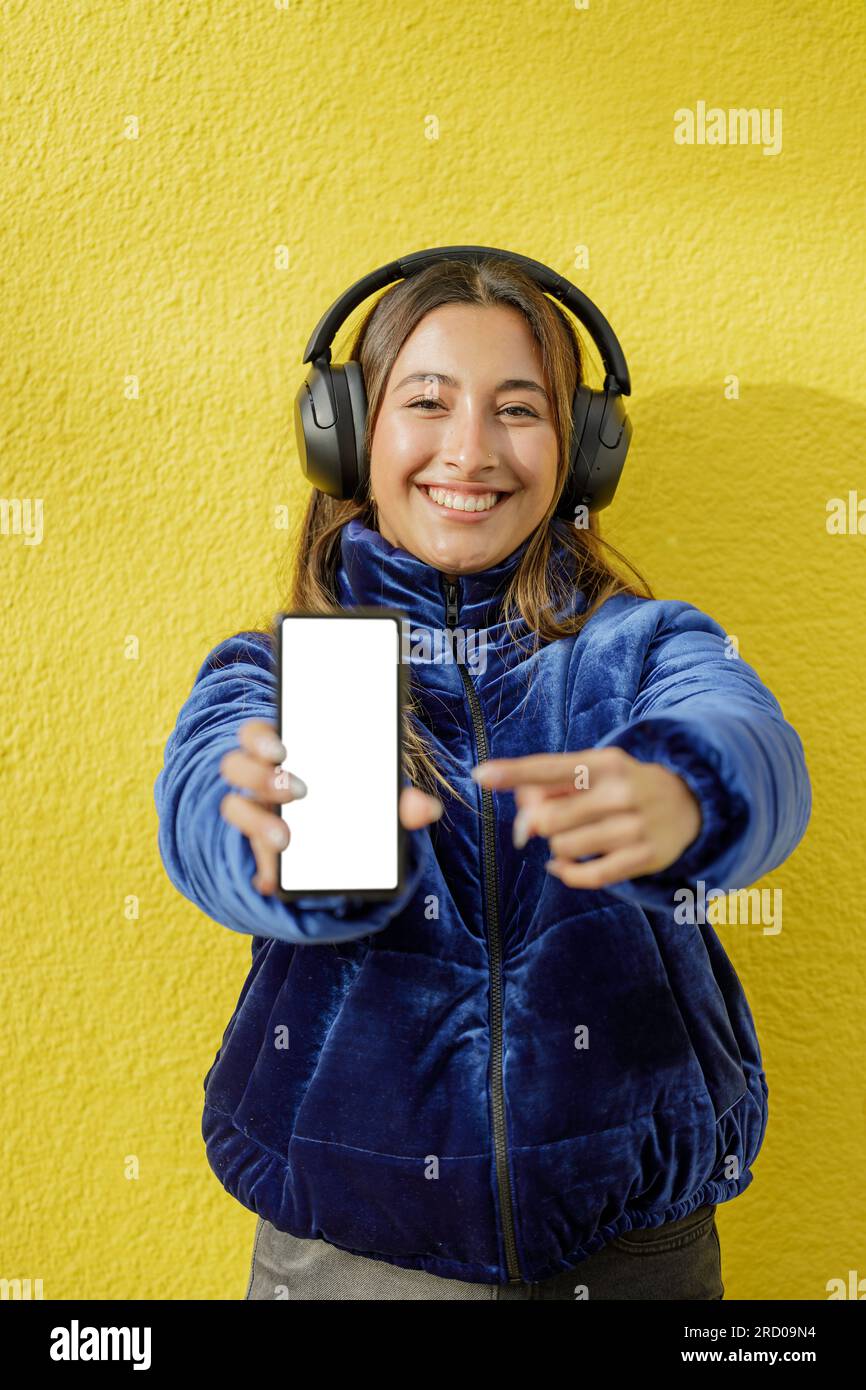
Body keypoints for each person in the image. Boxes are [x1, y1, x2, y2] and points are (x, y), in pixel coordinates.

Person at [153, 255, 812, 1300]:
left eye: (517, 409)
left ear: (582, 452)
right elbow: (203, 798)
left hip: (636, 1258)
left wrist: (690, 789)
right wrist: (258, 841)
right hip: (348, 1264)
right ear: (345, 433)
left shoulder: (643, 648)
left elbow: (748, 741)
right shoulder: (272, 673)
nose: (469, 449)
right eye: (425, 401)